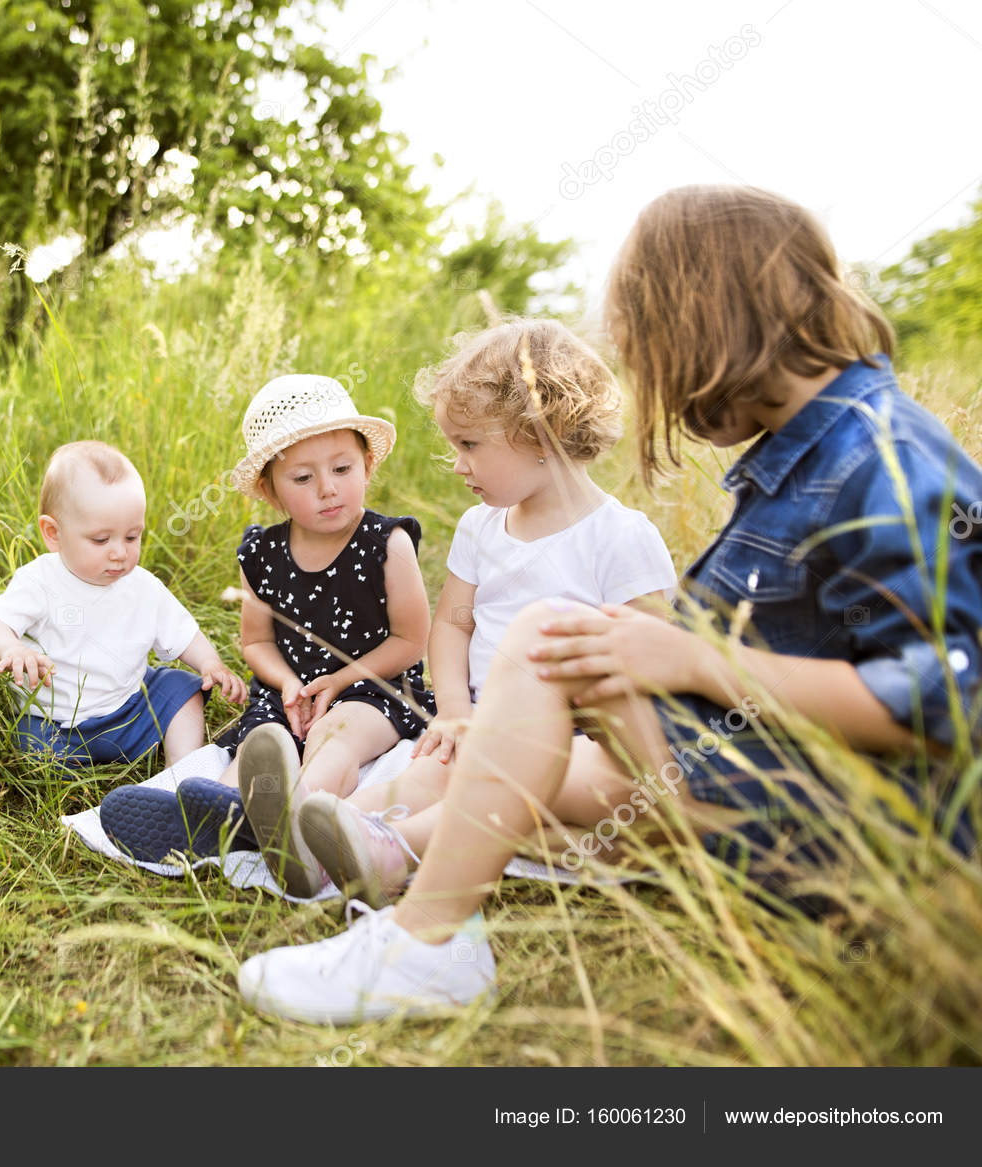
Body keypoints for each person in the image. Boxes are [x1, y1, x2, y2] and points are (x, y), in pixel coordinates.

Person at [237, 184, 982, 1023]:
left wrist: (702, 660)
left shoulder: (878, 456)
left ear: (711, 323)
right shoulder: (808, 453)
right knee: (528, 769)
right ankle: (375, 845)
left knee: (550, 634)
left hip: (838, 833)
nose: (651, 381)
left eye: (652, 350)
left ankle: (429, 938)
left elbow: (951, 692)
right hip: (758, 777)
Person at [297, 318, 679, 909]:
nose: (456, 463)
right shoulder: (481, 528)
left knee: (471, 790)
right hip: (476, 720)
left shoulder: (619, 538)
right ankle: (313, 834)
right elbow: (452, 627)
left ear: (541, 435)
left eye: (469, 445)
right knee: (424, 776)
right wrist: (453, 710)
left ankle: (374, 849)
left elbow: (650, 670)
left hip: (570, 737)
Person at [99, 374, 435, 896]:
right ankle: (217, 819)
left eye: (343, 469)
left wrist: (338, 681)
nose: (327, 487)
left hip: (371, 687)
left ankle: (298, 824)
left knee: (337, 737)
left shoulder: (386, 543)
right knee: (258, 748)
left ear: (367, 465)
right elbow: (256, 643)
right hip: (291, 692)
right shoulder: (262, 555)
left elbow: (411, 641)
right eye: (303, 478)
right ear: (269, 490)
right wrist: (285, 684)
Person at [0, 440, 246, 770]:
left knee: (180, 691)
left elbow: (182, 632)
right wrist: (11, 650)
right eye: (101, 540)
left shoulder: (143, 586)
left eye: (132, 537)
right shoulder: (39, 581)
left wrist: (210, 663)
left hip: (131, 709)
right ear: (53, 533)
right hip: (59, 726)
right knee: (30, 745)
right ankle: (70, 774)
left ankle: (183, 772)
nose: (120, 552)